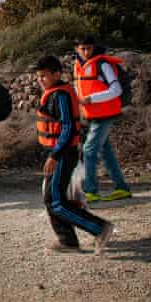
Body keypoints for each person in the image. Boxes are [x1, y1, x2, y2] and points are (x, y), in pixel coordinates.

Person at [35, 55, 114, 255]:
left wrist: (55, 155)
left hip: (62, 153)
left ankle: (99, 228)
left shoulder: (60, 95)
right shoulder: (54, 93)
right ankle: (67, 241)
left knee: (55, 200)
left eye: (44, 76)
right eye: (38, 77)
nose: (40, 81)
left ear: (57, 74)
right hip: (58, 152)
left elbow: (68, 127)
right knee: (50, 198)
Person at [73, 36, 132, 203]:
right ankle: (122, 188)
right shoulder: (78, 67)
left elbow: (116, 90)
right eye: (82, 48)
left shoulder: (103, 65)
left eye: (88, 48)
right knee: (105, 152)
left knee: (89, 151)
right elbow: (78, 88)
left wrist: (91, 99)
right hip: (92, 115)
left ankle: (90, 191)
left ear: (93, 48)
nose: (86, 52)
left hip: (105, 114)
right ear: (77, 49)